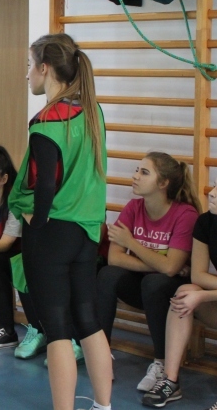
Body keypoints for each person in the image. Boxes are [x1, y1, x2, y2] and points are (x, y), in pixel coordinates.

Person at [9, 33, 113, 410]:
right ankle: (104, 405)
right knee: (88, 320)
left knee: (56, 330)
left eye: (29, 65)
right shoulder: (92, 111)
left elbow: (45, 188)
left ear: (45, 68)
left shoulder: (47, 121)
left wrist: (33, 223)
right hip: (87, 233)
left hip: (52, 235)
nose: (27, 74)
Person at [96, 152, 199, 392]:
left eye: (144, 172)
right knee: (108, 275)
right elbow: (114, 258)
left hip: (168, 290)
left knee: (154, 283)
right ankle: (101, 355)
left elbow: (170, 269)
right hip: (143, 284)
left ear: (163, 183)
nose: (135, 176)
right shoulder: (134, 207)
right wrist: (160, 264)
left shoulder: (185, 214)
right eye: (136, 170)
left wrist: (131, 243)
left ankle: (161, 363)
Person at [142, 182, 217, 408]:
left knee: (195, 295)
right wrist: (202, 294)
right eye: (215, 186)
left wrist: (204, 296)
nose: (212, 194)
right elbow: (198, 275)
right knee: (184, 293)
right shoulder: (205, 222)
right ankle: (170, 381)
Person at [0, 145, 47, 357]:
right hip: (0, 253)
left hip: (25, 254)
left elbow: (6, 243)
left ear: (4, 179)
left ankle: (18, 329)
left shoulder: (14, 201)